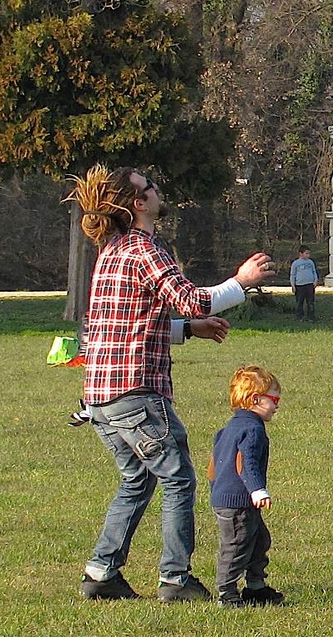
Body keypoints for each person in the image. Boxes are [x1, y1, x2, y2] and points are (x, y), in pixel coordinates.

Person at [69, 164, 273, 603]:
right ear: (138, 203)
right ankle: (175, 579)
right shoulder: (144, 249)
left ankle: (101, 572)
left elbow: (121, 324)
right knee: (178, 479)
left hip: (100, 397)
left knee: (136, 481)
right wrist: (242, 282)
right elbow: (194, 299)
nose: (158, 191)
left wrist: (187, 330)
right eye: (150, 187)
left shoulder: (111, 250)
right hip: (136, 393)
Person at [211, 366, 284, 609]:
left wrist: (216, 488)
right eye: (274, 399)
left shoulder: (227, 429)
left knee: (259, 540)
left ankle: (255, 587)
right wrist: (258, 490)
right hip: (239, 502)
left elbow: (214, 465)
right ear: (255, 399)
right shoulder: (252, 430)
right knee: (236, 545)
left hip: (226, 498)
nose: (277, 405)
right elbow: (246, 463)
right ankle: (227, 592)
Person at [288, 247, 318, 322]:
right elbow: (293, 275)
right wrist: (293, 285)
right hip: (300, 286)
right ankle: (299, 317)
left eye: (309, 253)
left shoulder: (310, 262)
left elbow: (314, 272)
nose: (308, 255)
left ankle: (311, 317)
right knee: (299, 302)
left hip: (309, 285)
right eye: (306, 253)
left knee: (310, 302)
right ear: (301, 253)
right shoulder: (296, 263)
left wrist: (315, 280)